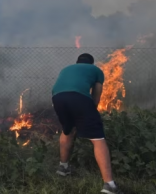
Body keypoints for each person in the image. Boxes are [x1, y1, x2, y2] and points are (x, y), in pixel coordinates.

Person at [51, 53, 123, 194]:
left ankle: (63, 167)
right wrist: (92, 113)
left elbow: (61, 85)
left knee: (68, 130)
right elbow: (96, 96)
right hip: (79, 97)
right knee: (98, 139)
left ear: (77, 62)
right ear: (91, 63)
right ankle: (109, 185)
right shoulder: (96, 70)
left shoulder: (66, 68)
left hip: (57, 98)